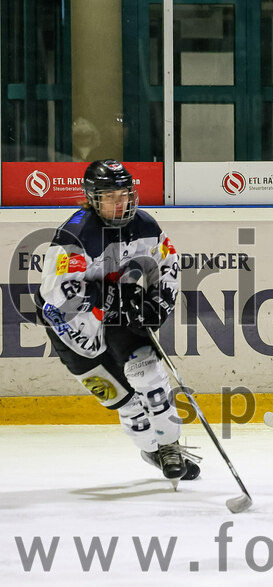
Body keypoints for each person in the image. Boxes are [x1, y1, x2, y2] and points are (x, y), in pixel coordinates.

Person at [35, 160, 199, 482]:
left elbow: (168, 264)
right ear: (92, 199)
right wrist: (105, 300)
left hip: (119, 315)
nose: (120, 203)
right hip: (68, 329)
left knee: (148, 374)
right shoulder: (76, 234)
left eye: (124, 194)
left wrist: (158, 303)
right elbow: (59, 294)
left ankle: (169, 446)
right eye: (110, 196)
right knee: (123, 402)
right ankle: (151, 448)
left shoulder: (145, 225)